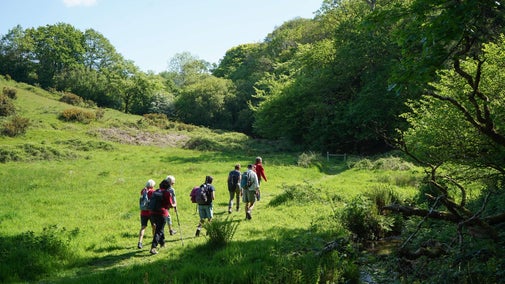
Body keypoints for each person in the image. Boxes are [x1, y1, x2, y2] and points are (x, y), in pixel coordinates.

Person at [149, 178, 175, 255]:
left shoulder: (156, 191)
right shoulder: (167, 193)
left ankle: (162, 243)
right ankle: (153, 247)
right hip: (162, 213)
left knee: (160, 228)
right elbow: (170, 205)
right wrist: (174, 205)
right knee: (159, 230)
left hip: (152, 213)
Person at [138, 179, 156, 249]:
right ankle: (154, 240)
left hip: (143, 212)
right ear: (152, 185)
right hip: (151, 212)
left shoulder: (143, 191)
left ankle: (140, 242)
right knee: (154, 226)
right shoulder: (153, 191)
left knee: (143, 227)